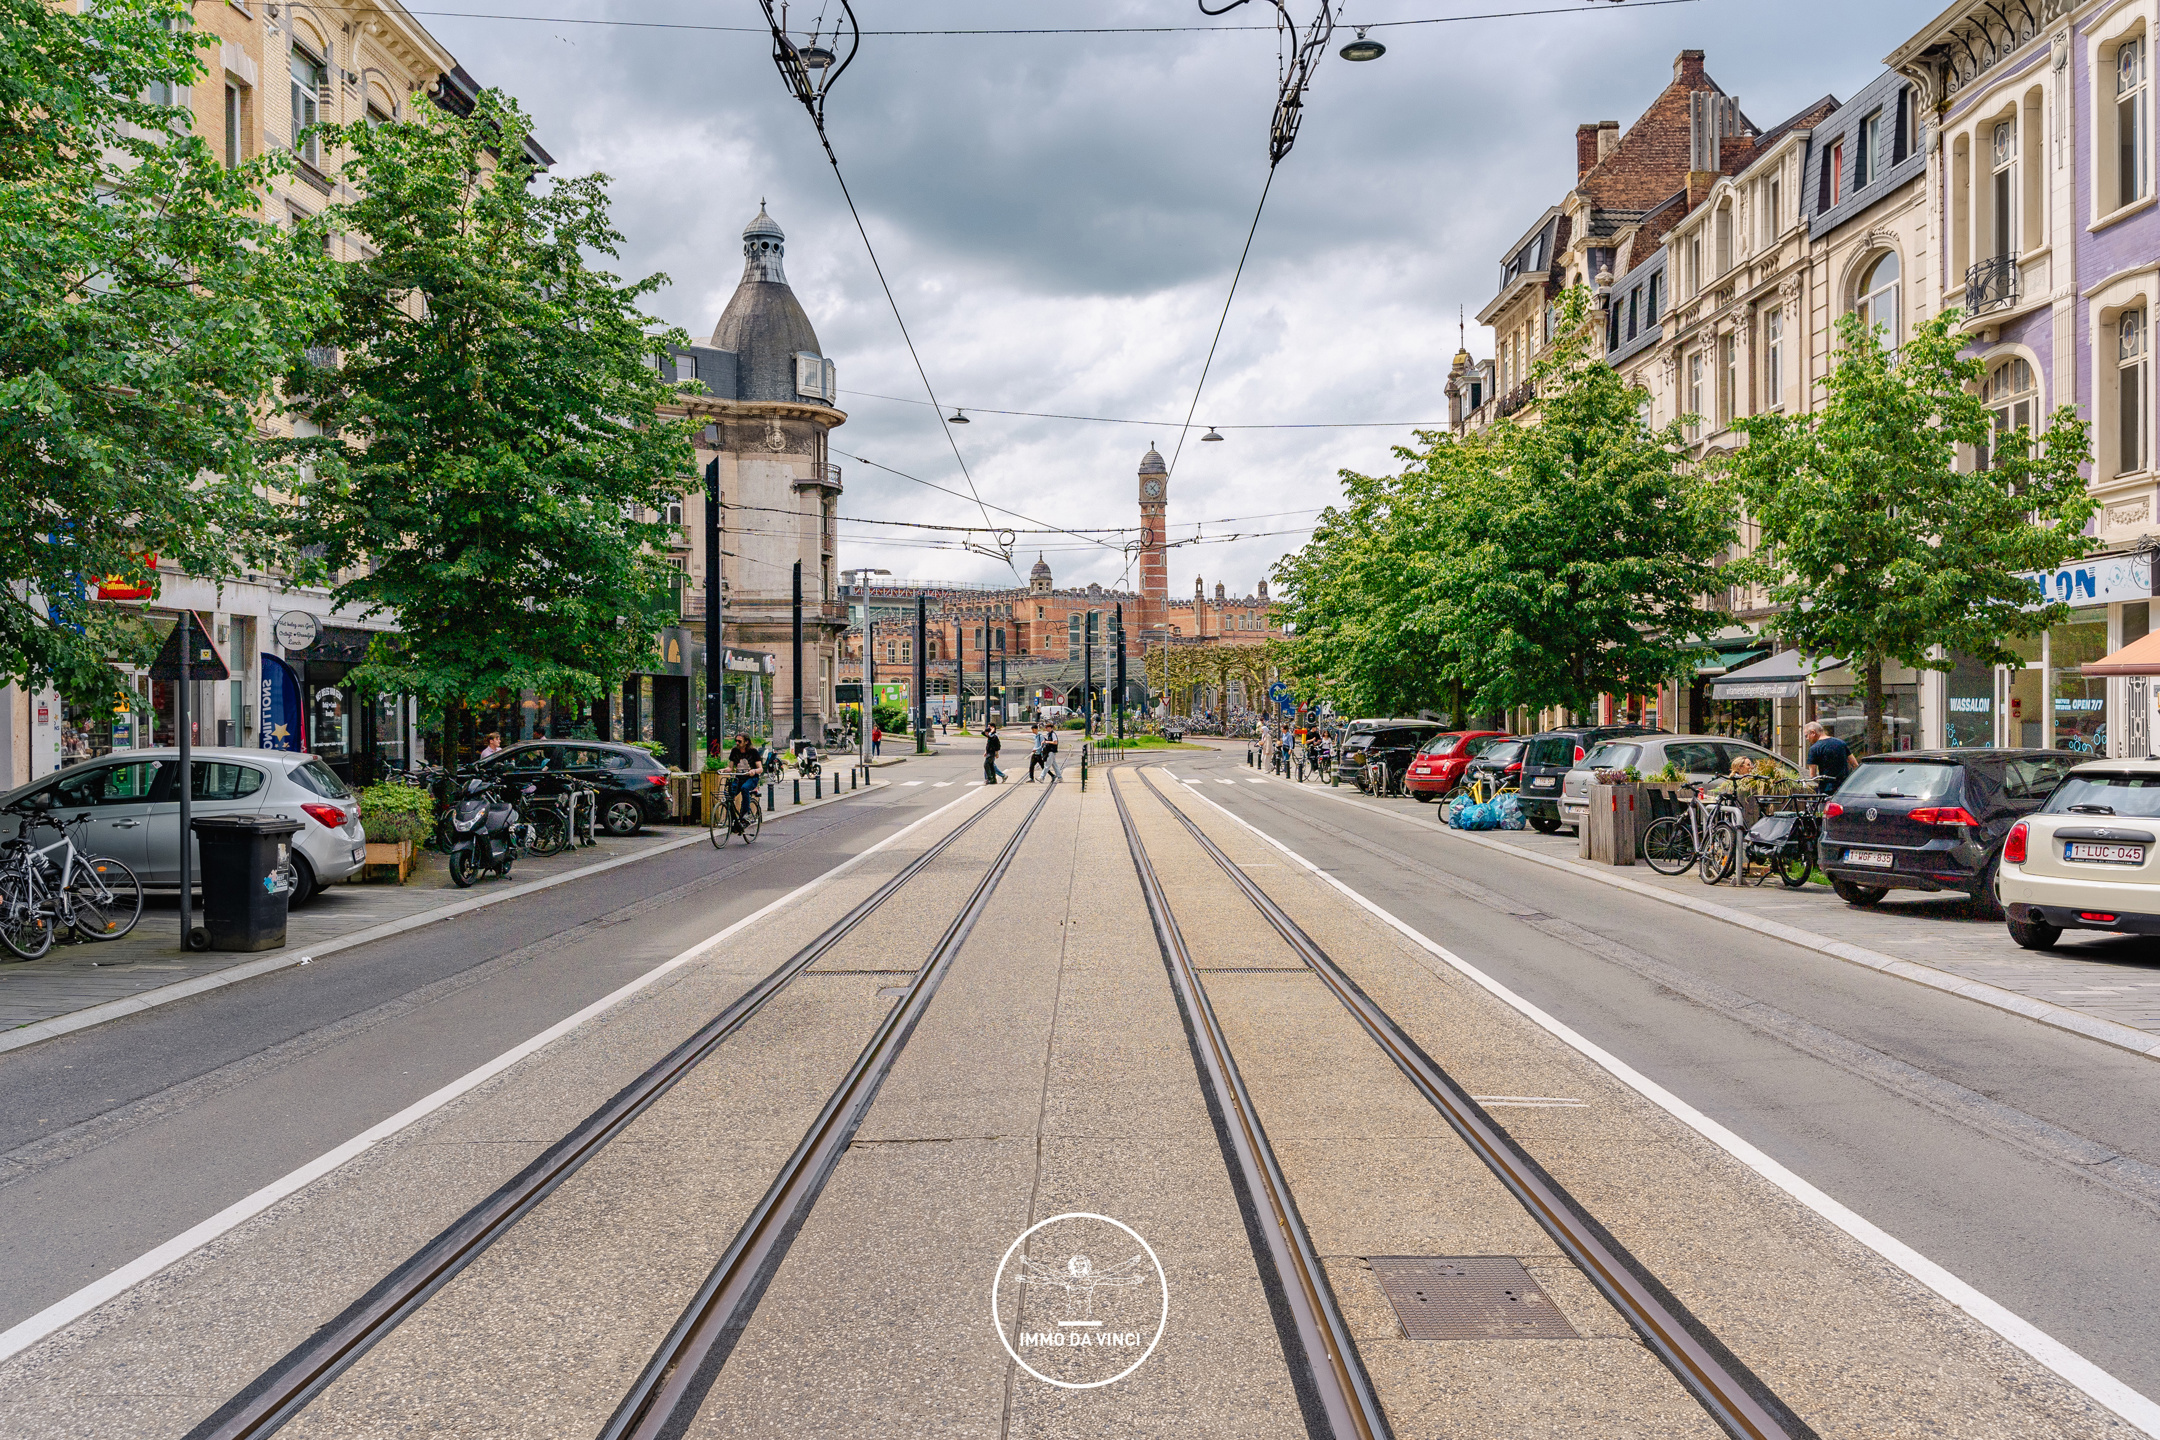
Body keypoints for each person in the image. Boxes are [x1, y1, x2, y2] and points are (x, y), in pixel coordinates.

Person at [1804, 720, 1854, 792]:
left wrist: (1819, 785)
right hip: (1844, 787)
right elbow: (1855, 764)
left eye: (1806, 736)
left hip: (1827, 789)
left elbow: (1813, 775)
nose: (1807, 739)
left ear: (1813, 732)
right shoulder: (1841, 743)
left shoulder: (1814, 748)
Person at [726, 732, 761, 825]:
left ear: (746, 742)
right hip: (739, 778)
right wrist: (723, 770)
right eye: (736, 741)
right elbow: (730, 767)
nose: (737, 743)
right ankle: (734, 820)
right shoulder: (734, 751)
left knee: (744, 788)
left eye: (739, 741)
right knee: (729, 794)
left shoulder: (753, 752)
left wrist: (754, 771)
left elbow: (760, 769)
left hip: (751, 778)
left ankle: (746, 813)